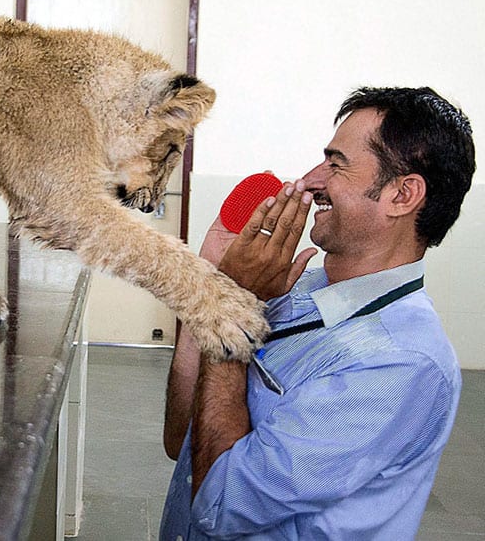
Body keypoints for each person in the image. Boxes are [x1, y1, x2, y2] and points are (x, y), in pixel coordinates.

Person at [160, 86, 476, 540]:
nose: (310, 180)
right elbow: (181, 440)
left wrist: (232, 308)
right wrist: (209, 289)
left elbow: (220, 506)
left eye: (336, 164)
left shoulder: (402, 362)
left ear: (402, 194)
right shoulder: (297, 286)